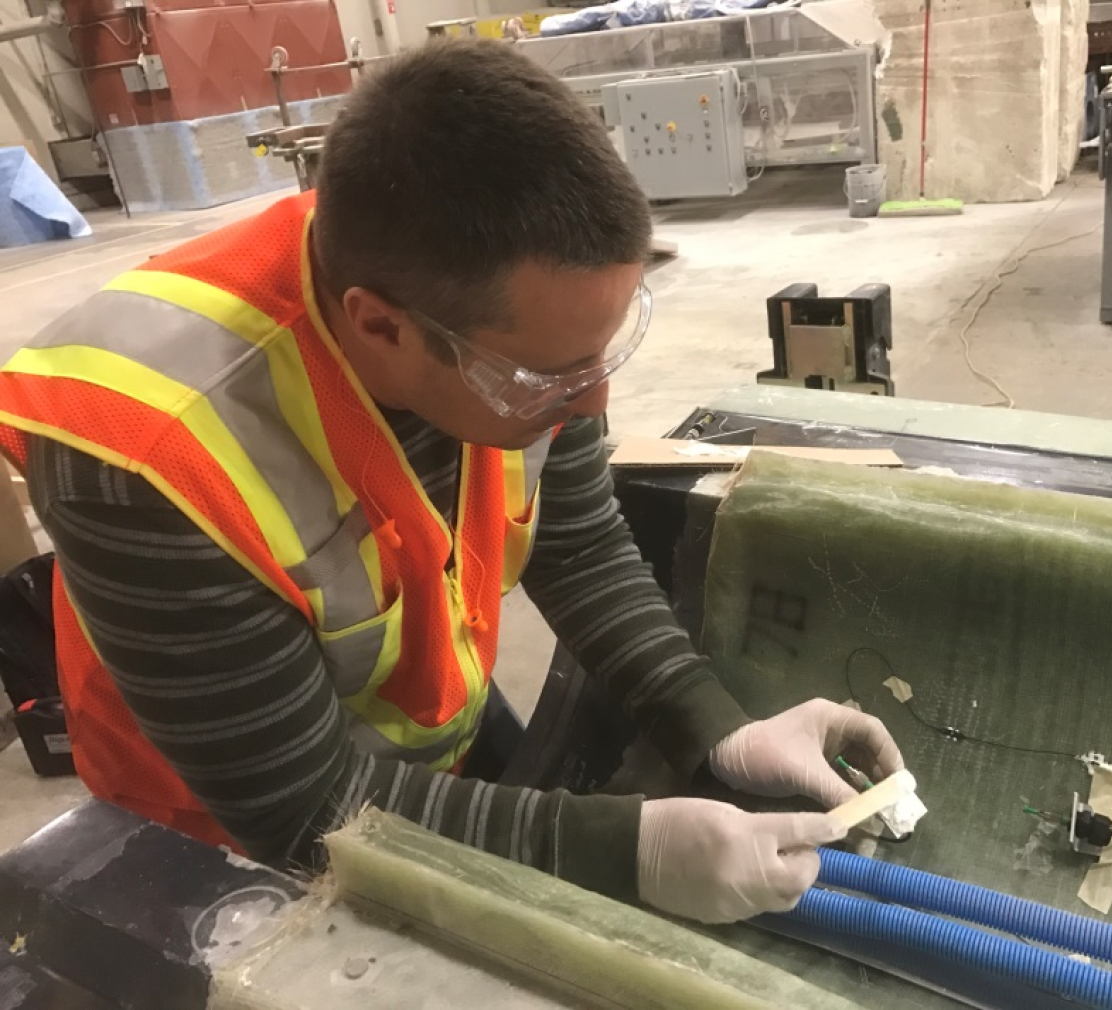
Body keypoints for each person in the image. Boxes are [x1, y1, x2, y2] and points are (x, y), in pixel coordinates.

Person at [0, 40, 901, 924]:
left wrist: (715, 725)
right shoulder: (139, 455)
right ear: (379, 327)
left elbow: (580, 549)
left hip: (411, 732)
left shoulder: (488, 308)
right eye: (551, 378)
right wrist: (627, 851)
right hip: (212, 829)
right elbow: (301, 812)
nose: (593, 406)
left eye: (601, 355)